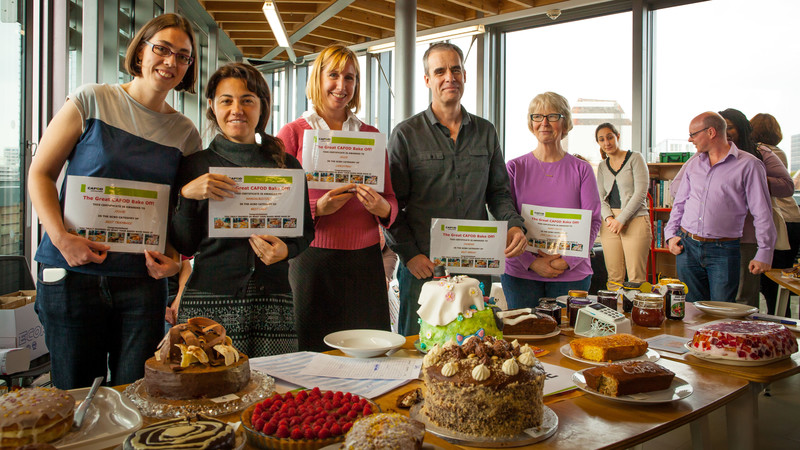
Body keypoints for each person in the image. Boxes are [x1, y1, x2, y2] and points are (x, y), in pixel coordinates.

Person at [28, 13, 201, 389]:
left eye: (183, 56)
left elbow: (176, 208)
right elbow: (40, 173)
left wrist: (172, 258)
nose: (171, 62)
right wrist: (60, 238)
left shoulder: (185, 132)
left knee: (136, 395)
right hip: (73, 274)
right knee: (74, 395)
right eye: (162, 49)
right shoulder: (93, 99)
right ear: (140, 51)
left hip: (141, 283)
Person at [171, 63, 314, 356]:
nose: (237, 109)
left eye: (247, 100)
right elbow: (184, 243)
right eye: (227, 100)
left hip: (273, 299)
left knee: (274, 392)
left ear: (262, 107)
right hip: (209, 300)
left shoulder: (286, 166)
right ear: (212, 106)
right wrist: (187, 196)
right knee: (208, 390)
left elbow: (305, 230)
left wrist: (286, 251)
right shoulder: (194, 165)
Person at [386, 42, 527, 336]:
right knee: (418, 350)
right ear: (427, 80)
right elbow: (391, 206)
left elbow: (498, 193)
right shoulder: (405, 135)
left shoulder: (486, 131)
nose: (449, 77)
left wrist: (514, 226)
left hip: (474, 268)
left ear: (464, 74)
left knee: (477, 351)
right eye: (439, 71)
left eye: (455, 69)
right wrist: (409, 255)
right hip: (423, 269)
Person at [277, 45, 398, 352]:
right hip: (311, 260)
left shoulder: (371, 135)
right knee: (311, 355)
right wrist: (316, 209)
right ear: (318, 78)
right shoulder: (292, 134)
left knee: (370, 353)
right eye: (333, 75)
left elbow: (391, 201)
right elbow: (277, 205)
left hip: (365, 262)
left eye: (350, 77)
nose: (341, 86)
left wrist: (383, 209)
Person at [501, 92, 601, 308]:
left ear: (564, 123)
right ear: (531, 123)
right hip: (521, 272)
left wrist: (566, 261)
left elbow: (593, 221)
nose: (544, 123)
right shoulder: (514, 168)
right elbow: (505, 220)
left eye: (553, 116)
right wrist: (532, 262)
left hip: (571, 273)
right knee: (523, 337)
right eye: (537, 116)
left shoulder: (582, 169)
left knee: (568, 339)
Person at [664, 112, 775, 303]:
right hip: (687, 247)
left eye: (693, 134)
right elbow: (680, 203)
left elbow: (762, 212)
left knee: (721, 313)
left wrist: (765, 251)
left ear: (711, 132)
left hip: (723, 251)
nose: (690, 139)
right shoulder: (693, 164)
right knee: (690, 312)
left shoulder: (749, 165)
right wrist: (670, 235)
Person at [719, 108, 793, 307]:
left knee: (745, 294)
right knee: (721, 295)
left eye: (731, 127)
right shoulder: (711, 154)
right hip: (717, 237)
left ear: (742, 128)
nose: (726, 132)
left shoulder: (760, 153)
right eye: (721, 127)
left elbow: (787, 186)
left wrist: (753, 178)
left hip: (748, 233)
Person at [751, 113, 800, 315]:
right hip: (793, 217)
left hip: (780, 220)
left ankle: (778, 326)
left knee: (772, 282)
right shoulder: (779, 151)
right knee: (782, 283)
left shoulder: (761, 152)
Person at [594, 123, 651, 285]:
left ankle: (637, 310)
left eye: (610, 137)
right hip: (610, 223)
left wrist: (622, 219)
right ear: (598, 143)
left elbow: (640, 193)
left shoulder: (635, 158)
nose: (607, 142)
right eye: (602, 139)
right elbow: (600, 197)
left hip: (635, 219)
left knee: (636, 279)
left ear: (618, 136)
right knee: (614, 279)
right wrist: (609, 218)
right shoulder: (603, 166)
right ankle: (615, 310)